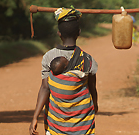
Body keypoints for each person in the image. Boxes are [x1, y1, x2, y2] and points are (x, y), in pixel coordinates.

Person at [29, 6, 98, 135]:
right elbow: (92, 88)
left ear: (59, 33)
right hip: (82, 125)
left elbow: (45, 88)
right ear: (79, 32)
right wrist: (95, 105)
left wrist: (35, 117)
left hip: (56, 124)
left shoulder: (49, 57)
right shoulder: (88, 60)